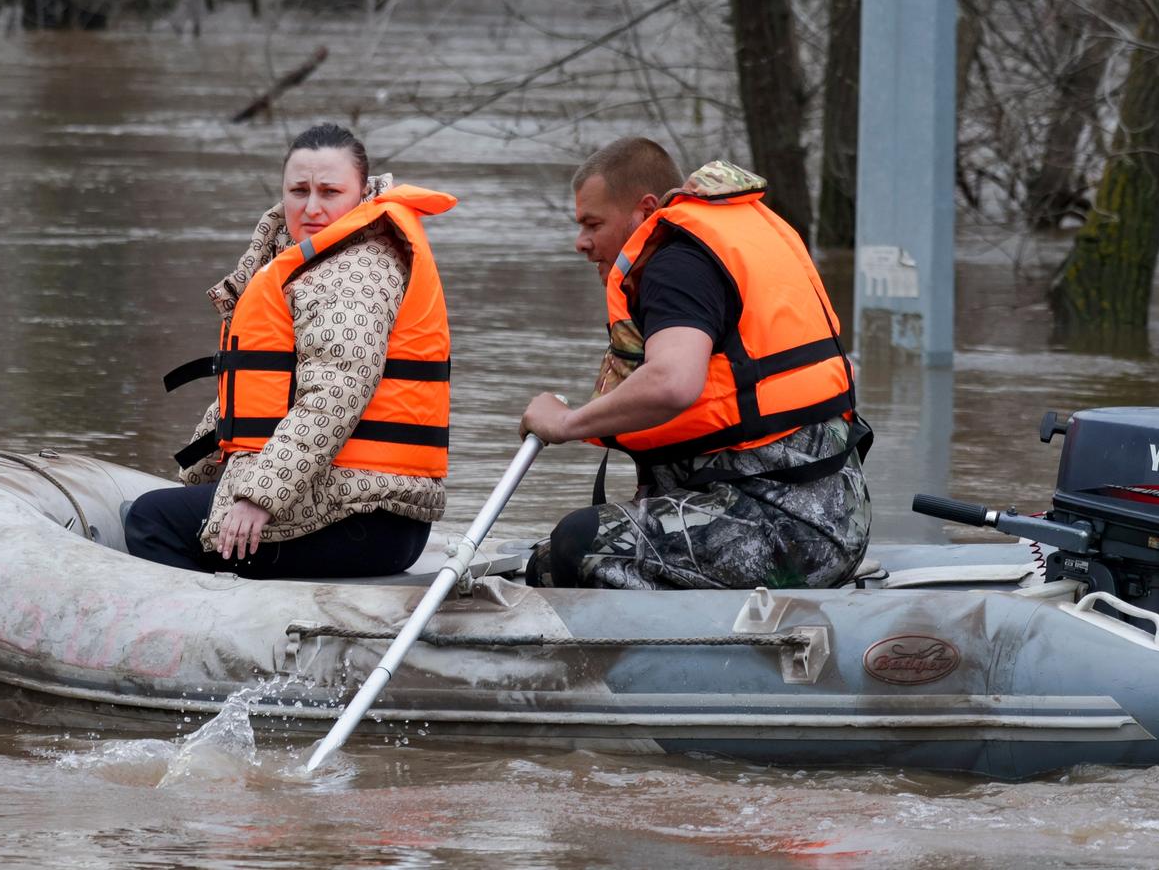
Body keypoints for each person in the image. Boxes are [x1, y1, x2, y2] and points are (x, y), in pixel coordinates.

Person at [518, 138, 873, 590]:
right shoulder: (730, 241)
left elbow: (672, 383)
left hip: (789, 529)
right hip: (836, 516)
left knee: (575, 545)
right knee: (555, 555)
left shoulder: (677, 264)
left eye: (593, 224)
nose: (581, 243)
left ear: (645, 211)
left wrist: (566, 423)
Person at [125, 123, 456, 578]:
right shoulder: (314, 262)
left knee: (151, 521)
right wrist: (205, 476)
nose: (312, 207)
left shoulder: (355, 276)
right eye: (298, 191)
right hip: (341, 497)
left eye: (329, 191)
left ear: (361, 194)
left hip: (366, 515)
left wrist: (259, 496)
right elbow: (265, 391)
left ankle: (208, 638)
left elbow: (333, 398)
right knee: (172, 507)